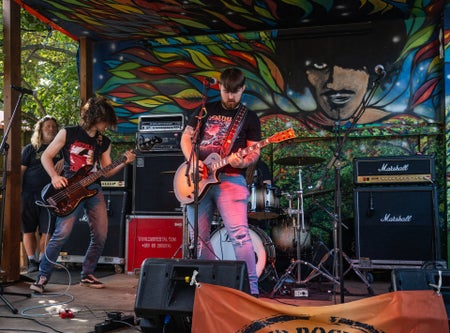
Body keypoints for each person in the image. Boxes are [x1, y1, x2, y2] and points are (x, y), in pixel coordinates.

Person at [30, 96, 135, 293]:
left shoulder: (103, 141)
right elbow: (46, 156)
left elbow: (106, 170)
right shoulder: (68, 133)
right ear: (95, 117)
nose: (106, 125)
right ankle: (42, 276)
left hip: (93, 189)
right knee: (61, 234)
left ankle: (87, 273)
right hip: (69, 189)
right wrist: (54, 176)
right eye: (104, 121)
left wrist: (123, 161)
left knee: (101, 234)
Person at [180, 67, 261, 295]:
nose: (230, 97)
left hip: (230, 179)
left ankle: (250, 290)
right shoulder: (205, 109)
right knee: (199, 238)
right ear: (220, 88)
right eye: (226, 91)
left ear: (243, 89)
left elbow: (254, 152)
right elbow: (186, 138)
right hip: (198, 180)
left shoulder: (250, 117)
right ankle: (208, 289)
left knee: (239, 235)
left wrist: (242, 162)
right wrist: (194, 160)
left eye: (235, 92)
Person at [21, 115, 62, 273]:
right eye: (48, 126)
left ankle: (45, 262)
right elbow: (20, 172)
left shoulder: (61, 149)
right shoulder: (30, 149)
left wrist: (64, 161)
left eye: (54, 126)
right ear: (40, 129)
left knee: (48, 230)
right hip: (29, 195)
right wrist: (18, 193)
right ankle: (32, 262)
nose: (51, 129)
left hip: (52, 197)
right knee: (28, 230)